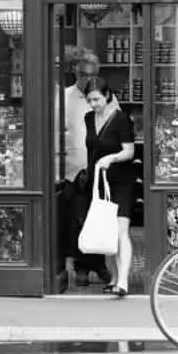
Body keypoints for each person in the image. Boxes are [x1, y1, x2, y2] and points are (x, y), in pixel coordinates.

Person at [61, 50, 114, 288]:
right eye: (83, 74)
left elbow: (119, 128)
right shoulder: (63, 98)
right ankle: (81, 266)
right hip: (75, 170)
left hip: (101, 170)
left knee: (100, 218)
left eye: (92, 74)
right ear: (75, 73)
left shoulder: (107, 97)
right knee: (79, 220)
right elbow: (55, 133)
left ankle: (99, 264)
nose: (87, 79)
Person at [84, 77, 137, 298]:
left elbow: (129, 151)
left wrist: (112, 158)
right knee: (106, 230)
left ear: (107, 96)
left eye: (96, 99)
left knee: (121, 231)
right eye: (89, 100)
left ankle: (123, 280)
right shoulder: (88, 118)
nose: (93, 104)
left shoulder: (122, 120)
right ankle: (114, 278)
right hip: (99, 182)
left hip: (121, 181)